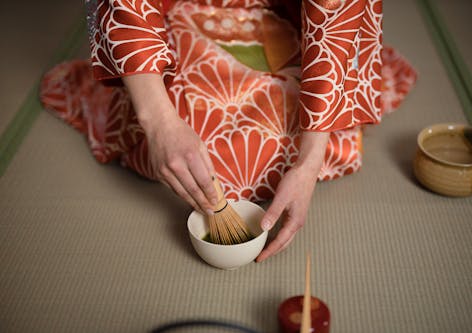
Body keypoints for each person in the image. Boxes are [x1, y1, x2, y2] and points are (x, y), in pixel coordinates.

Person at [40, 0, 416, 262]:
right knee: (186, 129)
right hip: (174, 13)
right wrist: (159, 122)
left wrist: (310, 161)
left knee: (290, 138)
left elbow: (338, 10)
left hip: (288, 11)